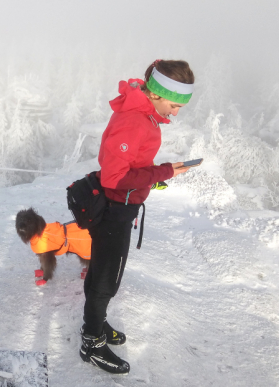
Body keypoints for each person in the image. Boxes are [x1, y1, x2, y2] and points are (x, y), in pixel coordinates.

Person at [80, 59, 195, 374]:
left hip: (121, 205)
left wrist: (154, 177)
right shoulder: (137, 121)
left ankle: (96, 324)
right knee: (106, 280)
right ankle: (92, 343)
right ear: (157, 94)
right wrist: (165, 171)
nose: (176, 111)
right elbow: (113, 178)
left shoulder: (145, 113)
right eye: (174, 104)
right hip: (115, 209)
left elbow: (130, 164)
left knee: (102, 272)